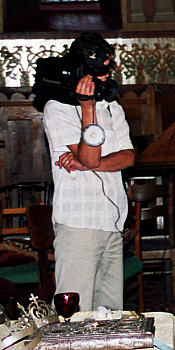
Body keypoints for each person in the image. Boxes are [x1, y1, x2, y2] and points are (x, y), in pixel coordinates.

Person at [41, 32, 135, 313]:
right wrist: (87, 108)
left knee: (111, 313)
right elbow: (92, 155)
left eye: (109, 70)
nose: (107, 78)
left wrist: (88, 162)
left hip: (112, 221)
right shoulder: (56, 109)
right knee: (75, 314)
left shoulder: (114, 108)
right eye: (101, 72)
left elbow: (128, 157)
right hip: (78, 222)